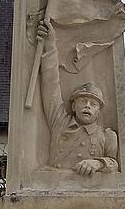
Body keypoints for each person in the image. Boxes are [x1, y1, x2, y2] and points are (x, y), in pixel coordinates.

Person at [36, 20, 118, 175]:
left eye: (93, 104)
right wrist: (50, 45)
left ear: (99, 111)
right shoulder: (60, 121)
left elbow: (113, 163)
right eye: (82, 101)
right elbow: (50, 83)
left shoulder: (107, 136)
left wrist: (97, 163)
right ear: (73, 106)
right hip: (54, 183)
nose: (87, 105)